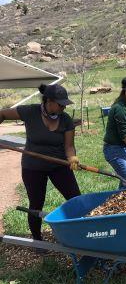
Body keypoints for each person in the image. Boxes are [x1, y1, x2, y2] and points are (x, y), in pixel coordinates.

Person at [0, 83, 81, 242]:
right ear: (49, 101)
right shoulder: (30, 111)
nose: (63, 107)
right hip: (33, 168)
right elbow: (2, 114)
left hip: (59, 165)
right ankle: (37, 240)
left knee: (76, 198)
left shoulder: (65, 119)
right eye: (61, 104)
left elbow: (69, 146)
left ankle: (82, 231)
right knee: (36, 203)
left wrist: (72, 158)